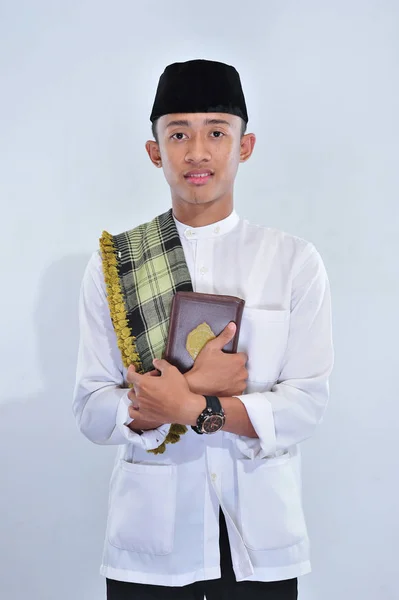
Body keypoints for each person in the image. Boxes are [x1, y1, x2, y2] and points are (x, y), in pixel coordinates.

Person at [73, 59, 334, 600]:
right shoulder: (116, 264)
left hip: (258, 539)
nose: (197, 151)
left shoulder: (293, 261)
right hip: (153, 544)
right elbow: (92, 410)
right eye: (178, 133)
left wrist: (192, 408)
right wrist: (194, 387)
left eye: (216, 131)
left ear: (245, 146)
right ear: (155, 152)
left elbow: (306, 403)